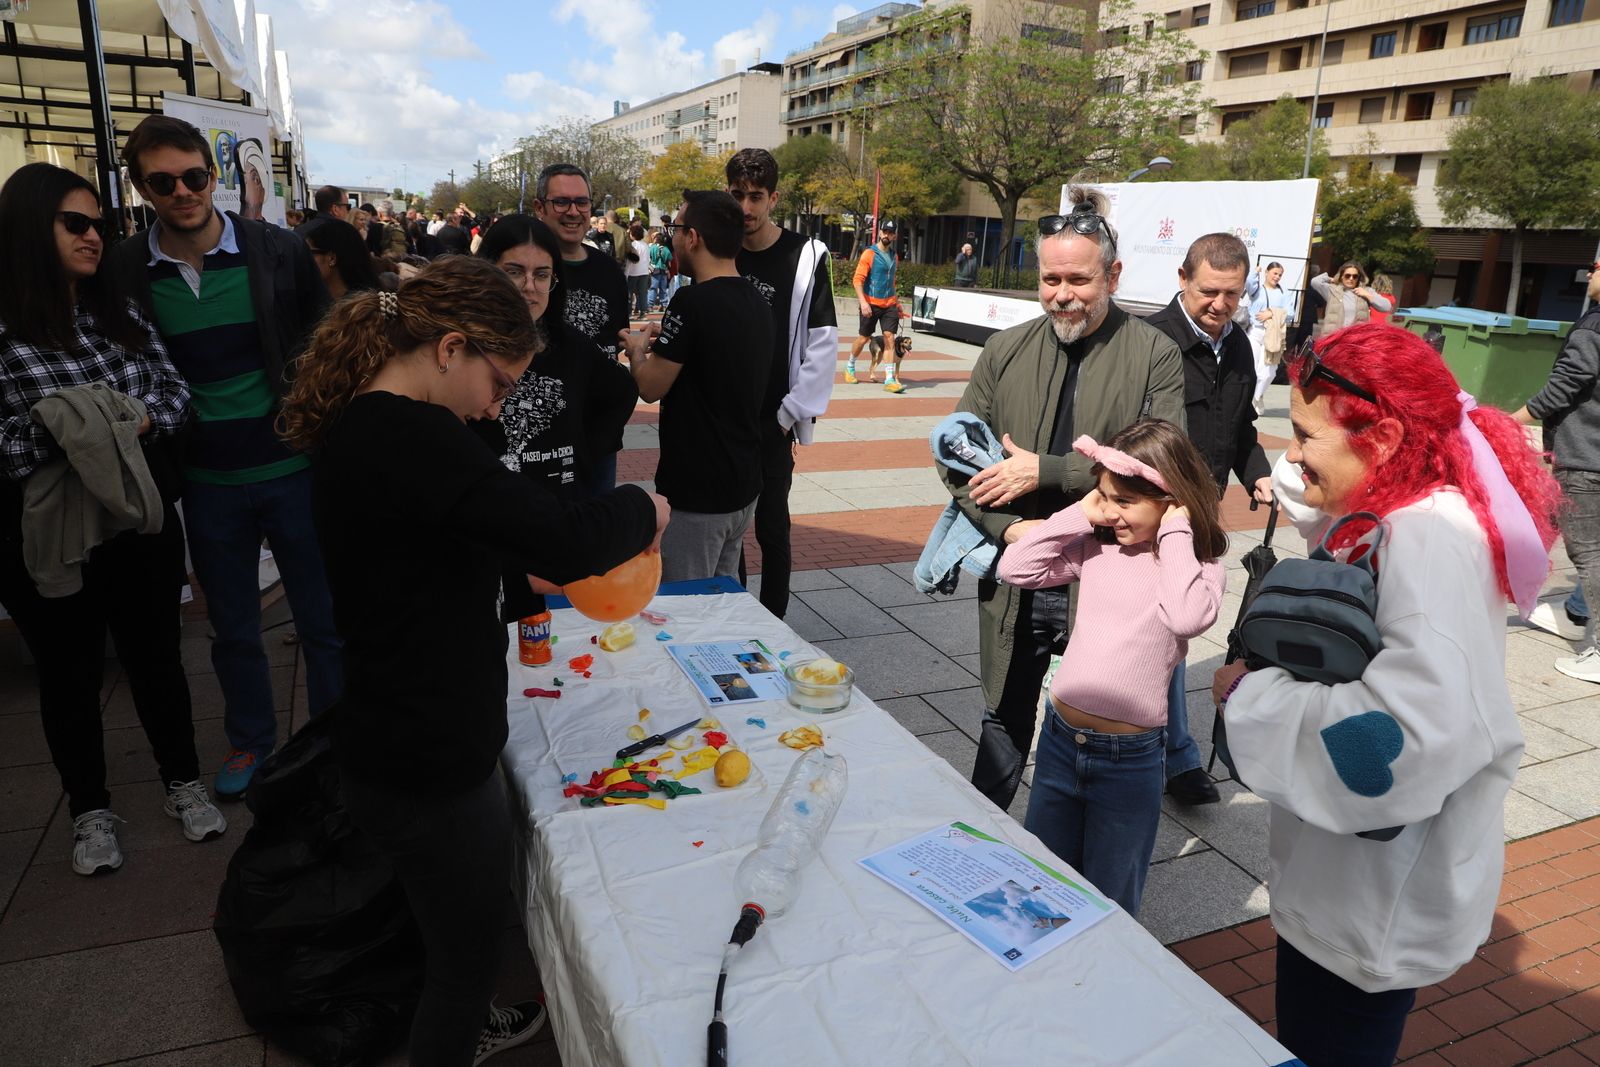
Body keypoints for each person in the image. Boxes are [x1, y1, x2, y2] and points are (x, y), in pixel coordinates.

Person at [279, 254, 668, 1067]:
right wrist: (643, 505)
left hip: (396, 731)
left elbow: (434, 545)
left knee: (448, 925)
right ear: (450, 348)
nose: (499, 406)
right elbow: (564, 537)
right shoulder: (411, 434)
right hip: (425, 758)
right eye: (499, 381)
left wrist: (512, 582)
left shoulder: (372, 423)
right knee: (468, 956)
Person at [1213, 322, 1559, 1067]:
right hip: (1353, 885)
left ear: (1385, 434)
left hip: (1368, 905)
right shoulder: (1407, 512)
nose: (1292, 454)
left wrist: (1252, 699)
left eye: (1306, 434)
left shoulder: (1430, 538)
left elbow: (1399, 738)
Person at [0, 162, 226, 875]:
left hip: (139, 522)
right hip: (49, 533)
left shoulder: (114, 314)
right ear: (30, 229)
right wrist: (87, 427)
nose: (95, 235)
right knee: (66, 673)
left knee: (157, 656)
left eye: (100, 222)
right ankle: (89, 808)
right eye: (76, 222)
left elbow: (176, 394)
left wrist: (117, 420)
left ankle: (181, 780)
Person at [111, 115, 340, 801]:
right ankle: (252, 740)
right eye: (163, 180)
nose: (182, 191)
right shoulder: (126, 266)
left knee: (324, 617)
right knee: (232, 626)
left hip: (293, 467)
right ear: (142, 187)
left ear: (213, 176)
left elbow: (319, 345)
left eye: (194, 176)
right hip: (207, 479)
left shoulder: (276, 249)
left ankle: (336, 741)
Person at [939, 187, 1185, 810]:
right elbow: (955, 454)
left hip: (1110, 572)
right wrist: (1005, 533)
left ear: (1113, 275)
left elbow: (1160, 469)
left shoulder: (1154, 353)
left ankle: (1080, 853)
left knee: (1097, 724)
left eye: (1078, 278)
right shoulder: (1005, 349)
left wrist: (1045, 472)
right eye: (1050, 278)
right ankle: (982, 834)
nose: (1061, 294)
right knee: (1003, 716)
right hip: (1020, 566)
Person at [1000, 420, 1225, 914]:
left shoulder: (1196, 567)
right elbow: (1014, 568)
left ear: (1172, 501)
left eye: (1125, 502)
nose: (1112, 513)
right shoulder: (1097, 546)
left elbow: (1186, 617)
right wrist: (1080, 511)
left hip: (1129, 760)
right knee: (1041, 878)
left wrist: (1178, 532)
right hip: (1059, 742)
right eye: (1105, 497)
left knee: (1111, 897)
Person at [1144, 232, 1275, 807]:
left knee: (1171, 632)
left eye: (1232, 293)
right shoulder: (1150, 341)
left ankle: (1161, 748)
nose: (1219, 305)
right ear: (1182, 278)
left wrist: (1259, 474)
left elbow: (1240, 427)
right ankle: (1178, 758)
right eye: (1208, 292)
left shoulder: (1239, 344)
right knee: (1170, 630)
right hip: (1152, 511)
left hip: (1203, 512)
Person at [474, 213, 638, 625]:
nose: (529, 287)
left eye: (542, 274)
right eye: (514, 271)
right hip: (485, 531)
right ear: (488, 272)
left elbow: (619, 394)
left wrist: (587, 452)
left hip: (553, 523)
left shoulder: (570, 347)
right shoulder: (461, 348)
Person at [619, 191, 771, 582]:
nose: (671, 237)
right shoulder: (758, 299)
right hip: (743, 482)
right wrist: (673, 342)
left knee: (684, 611)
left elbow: (651, 387)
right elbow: (715, 361)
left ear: (695, 237)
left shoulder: (692, 301)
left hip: (697, 491)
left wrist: (637, 351)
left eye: (675, 228)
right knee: (722, 602)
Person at [726, 148, 837, 620]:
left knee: (772, 527)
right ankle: (733, 613)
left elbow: (823, 341)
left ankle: (773, 624)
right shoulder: (720, 247)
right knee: (729, 529)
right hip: (725, 416)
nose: (746, 209)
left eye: (756, 197)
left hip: (774, 417)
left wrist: (788, 414)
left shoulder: (805, 255)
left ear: (774, 198)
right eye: (737, 196)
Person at [1514, 259, 1600, 680]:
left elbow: (1569, 381)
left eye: (1596, 267)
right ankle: (1573, 611)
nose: (1589, 275)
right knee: (1540, 524)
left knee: (1588, 555)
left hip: (1585, 457)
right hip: (1589, 457)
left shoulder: (1593, 326)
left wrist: (1514, 419)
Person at [533, 163, 630, 494]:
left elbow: (615, 345)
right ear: (539, 207)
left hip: (597, 442)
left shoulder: (609, 272)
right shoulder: (522, 273)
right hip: (538, 443)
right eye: (561, 202)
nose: (573, 212)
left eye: (582, 202)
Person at [847, 221, 905, 392]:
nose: (887, 235)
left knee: (889, 339)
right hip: (870, 304)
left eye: (890, 233)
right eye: (885, 232)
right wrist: (863, 303)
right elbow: (857, 280)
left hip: (889, 305)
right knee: (864, 338)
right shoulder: (869, 253)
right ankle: (850, 366)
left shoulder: (894, 256)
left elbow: (892, 281)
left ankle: (889, 380)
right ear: (880, 233)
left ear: (894, 236)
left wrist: (897, 302)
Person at [1243, 260, 1293, 411]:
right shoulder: (1257, 289)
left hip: (1273, 335)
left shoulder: (1284, 293)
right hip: (1254, 332)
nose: (1277, 277)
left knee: (1269, 372)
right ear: (1267, 272)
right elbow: (1248, 283)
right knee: (1252, 369)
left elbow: (1290, 314)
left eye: (1280, 275)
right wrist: (1255, 272)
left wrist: (1270, 313)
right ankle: (1250, 401)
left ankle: (1257, 397)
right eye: (1274, 273)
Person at [303, 217, 380, 300]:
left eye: (309, 253)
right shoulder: (322, 300)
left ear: (332, 259)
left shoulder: (360, 309)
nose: (304, 259)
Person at [1310, 261, 1392, 339]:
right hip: (1333, 339)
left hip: (1355, 340)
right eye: (1347, 275)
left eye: (1355, 276)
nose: (1351, 278)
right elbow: (1315, 281)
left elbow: (1386, 307)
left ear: (1359, 278)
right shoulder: (1332, 290)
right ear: (1342, 276)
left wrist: (1367, 295)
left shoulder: (1366, 290)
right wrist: (1331, 279)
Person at [623, 221, 651, 318]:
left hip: (633, 273)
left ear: (632, 234)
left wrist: (626, 273)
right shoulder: (645, 245)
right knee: (642, 293)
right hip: (644, 272)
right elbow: (648, 259)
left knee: (630, 293)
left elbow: (630, 261)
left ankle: (629, 312)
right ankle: (643, 311)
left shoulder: (633, 245)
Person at [648, 230, 672, 311]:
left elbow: (649, 258)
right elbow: (669, 262)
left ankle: (650, 305)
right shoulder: (666, 249)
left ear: (656, 240)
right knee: (663, 288)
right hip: (664, 270)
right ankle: (664, 304)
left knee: (653, 288)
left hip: (654, 270)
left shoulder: (652, 248)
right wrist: (668, 270)